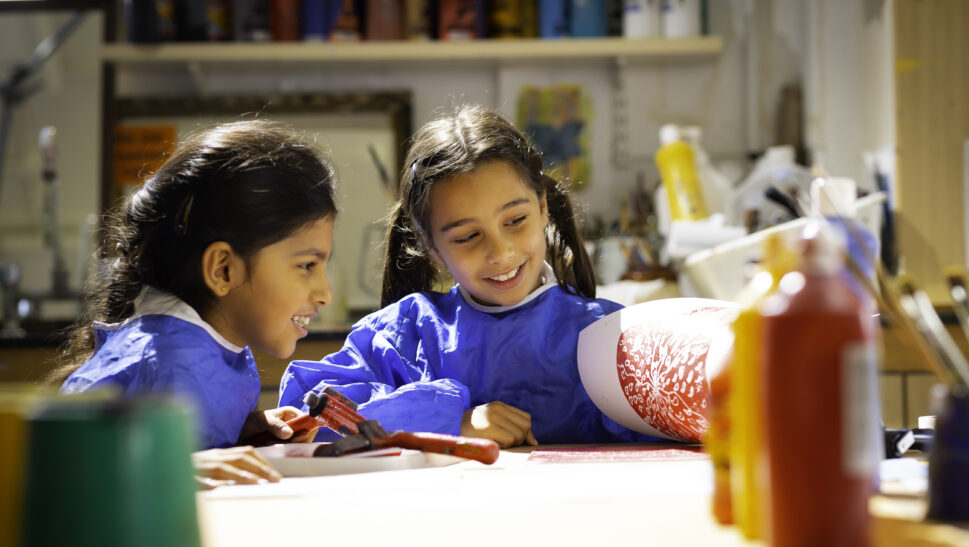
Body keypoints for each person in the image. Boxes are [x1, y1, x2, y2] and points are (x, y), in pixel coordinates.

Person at [279, 104, 654, 447]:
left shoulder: (610, 335)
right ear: (432, 246)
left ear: (543, 209)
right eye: (467, 237)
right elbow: (306, 414)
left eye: (516, 220)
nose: (500, 252)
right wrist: (446, 421)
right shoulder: (404, 336)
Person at [50, 119, 337, 488]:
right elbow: (60, 484)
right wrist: (175, 470)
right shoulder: (167, 363)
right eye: (307, 265)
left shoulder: (210, 346)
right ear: (223, 269)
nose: (325, 293)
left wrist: (239, 435)